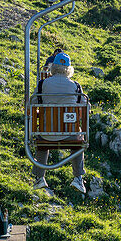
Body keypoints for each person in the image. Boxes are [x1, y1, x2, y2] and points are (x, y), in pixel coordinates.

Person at [31, 52, 87, 194]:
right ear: (69, 69)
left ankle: (39, 177)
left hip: (47, 134)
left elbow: (32, 103)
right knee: (78, 141)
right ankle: (78, 178)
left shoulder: (43, 84)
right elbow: (84, 107)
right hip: (70, 135)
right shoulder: (75, 86)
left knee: (42, 140)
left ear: (53, 67)